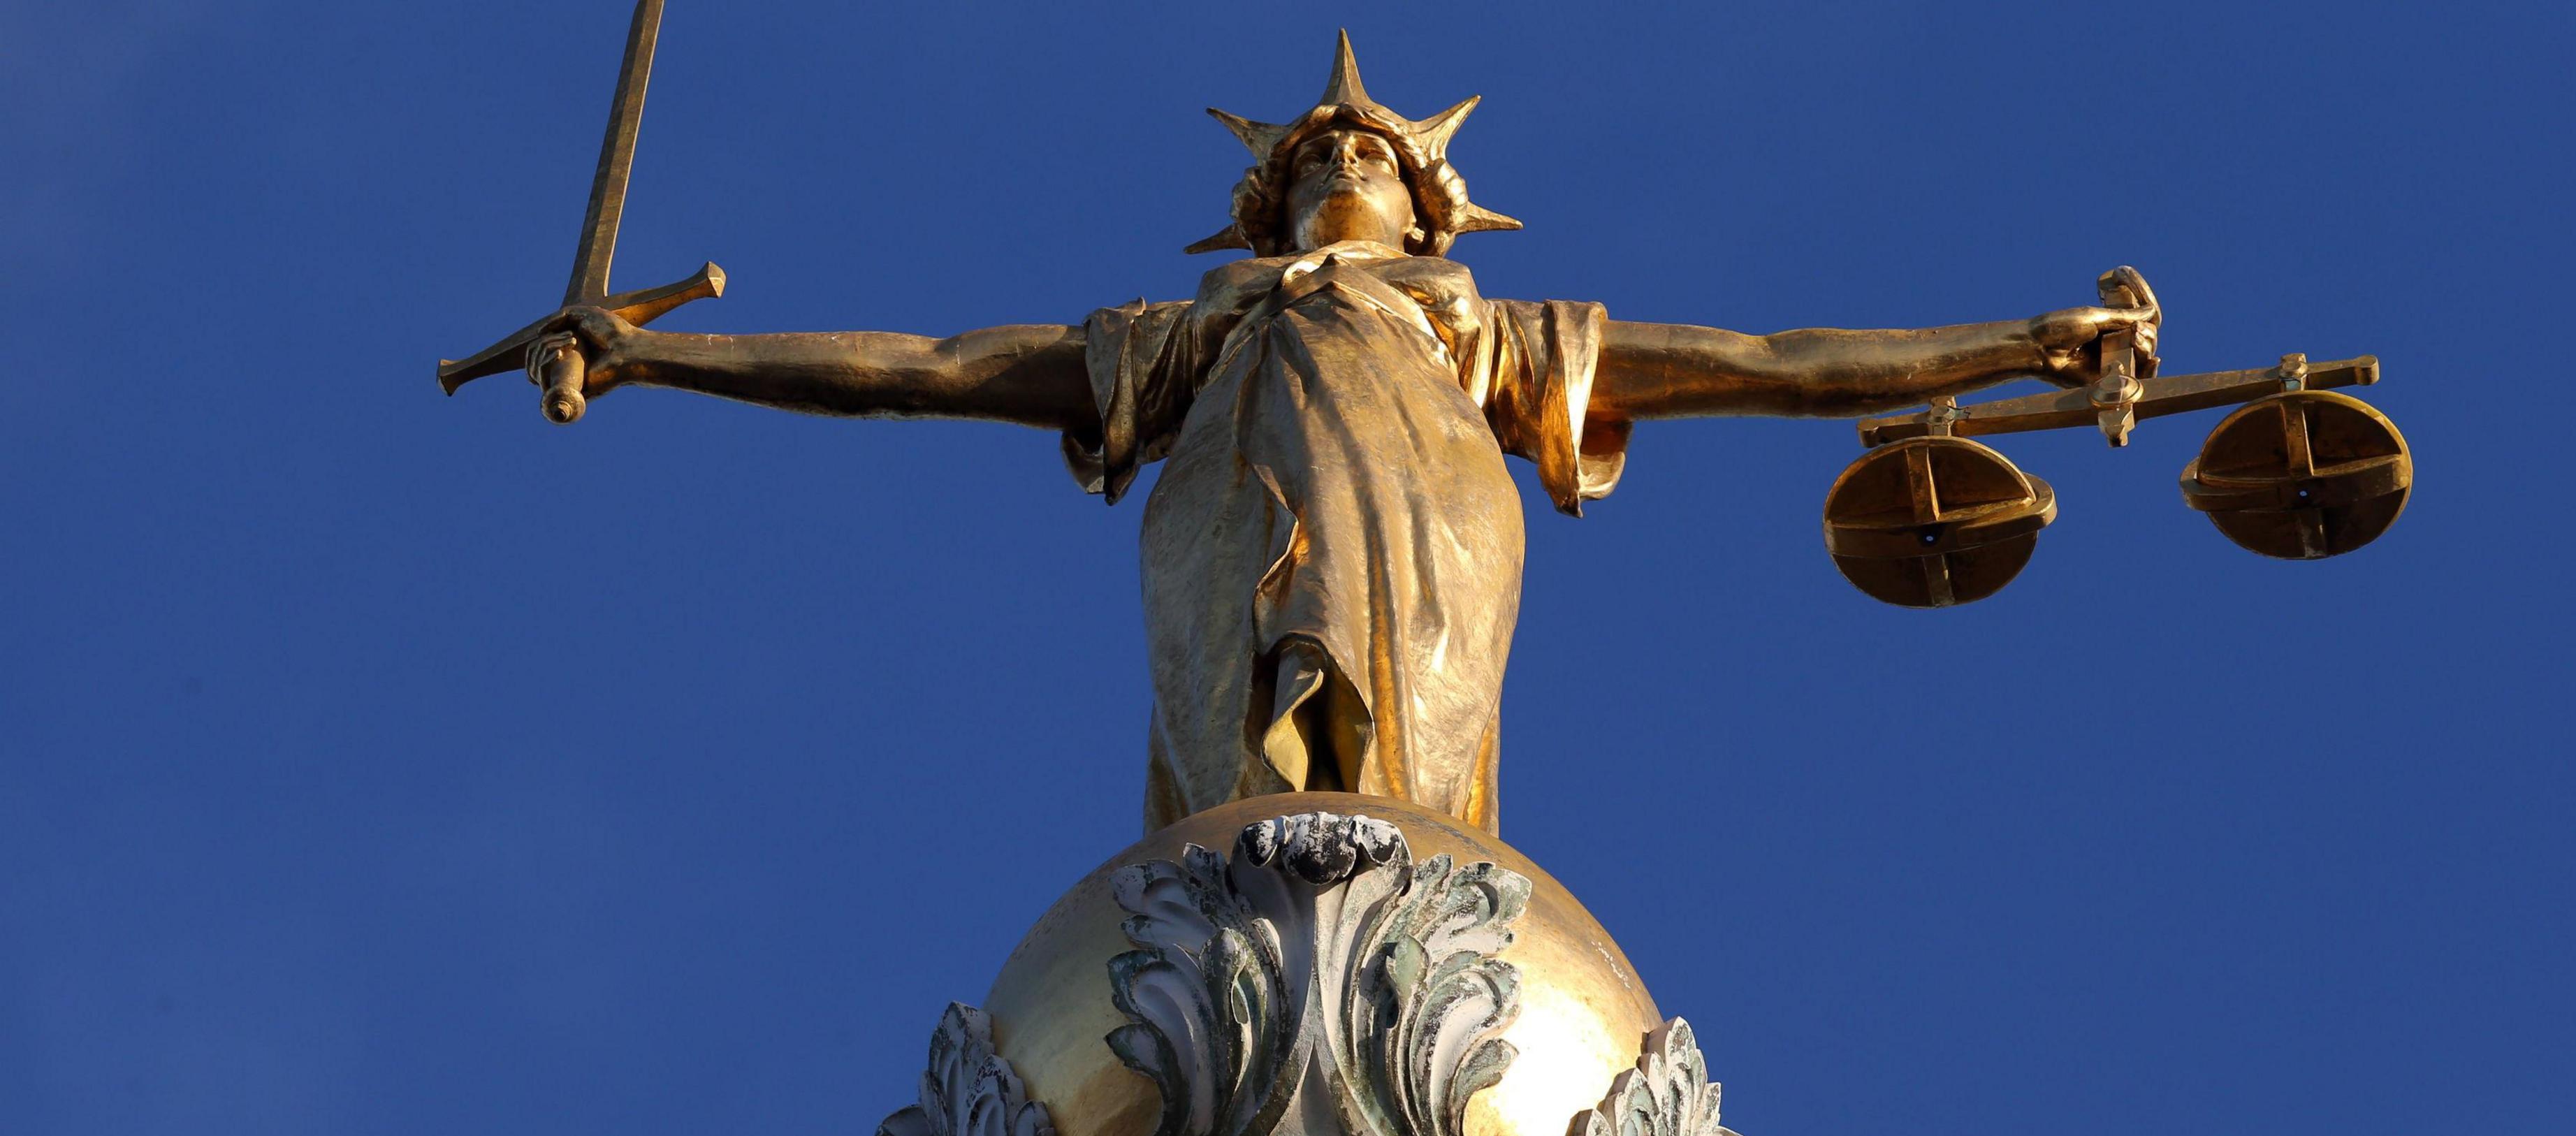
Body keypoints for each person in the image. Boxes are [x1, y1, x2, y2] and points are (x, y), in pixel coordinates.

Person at [534, 36, 2156, 836]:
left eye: (1367, 152)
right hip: (1228, 531)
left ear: (1430, 201)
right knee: (1242, 790)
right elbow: (932, 369)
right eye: (1314, 156)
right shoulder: (1190, 334)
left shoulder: (1477, 330)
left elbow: (1766, 359)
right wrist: (668, 363)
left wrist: (2027, 338)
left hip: (1433, 523)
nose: (1338, 161)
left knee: (1405, 814)